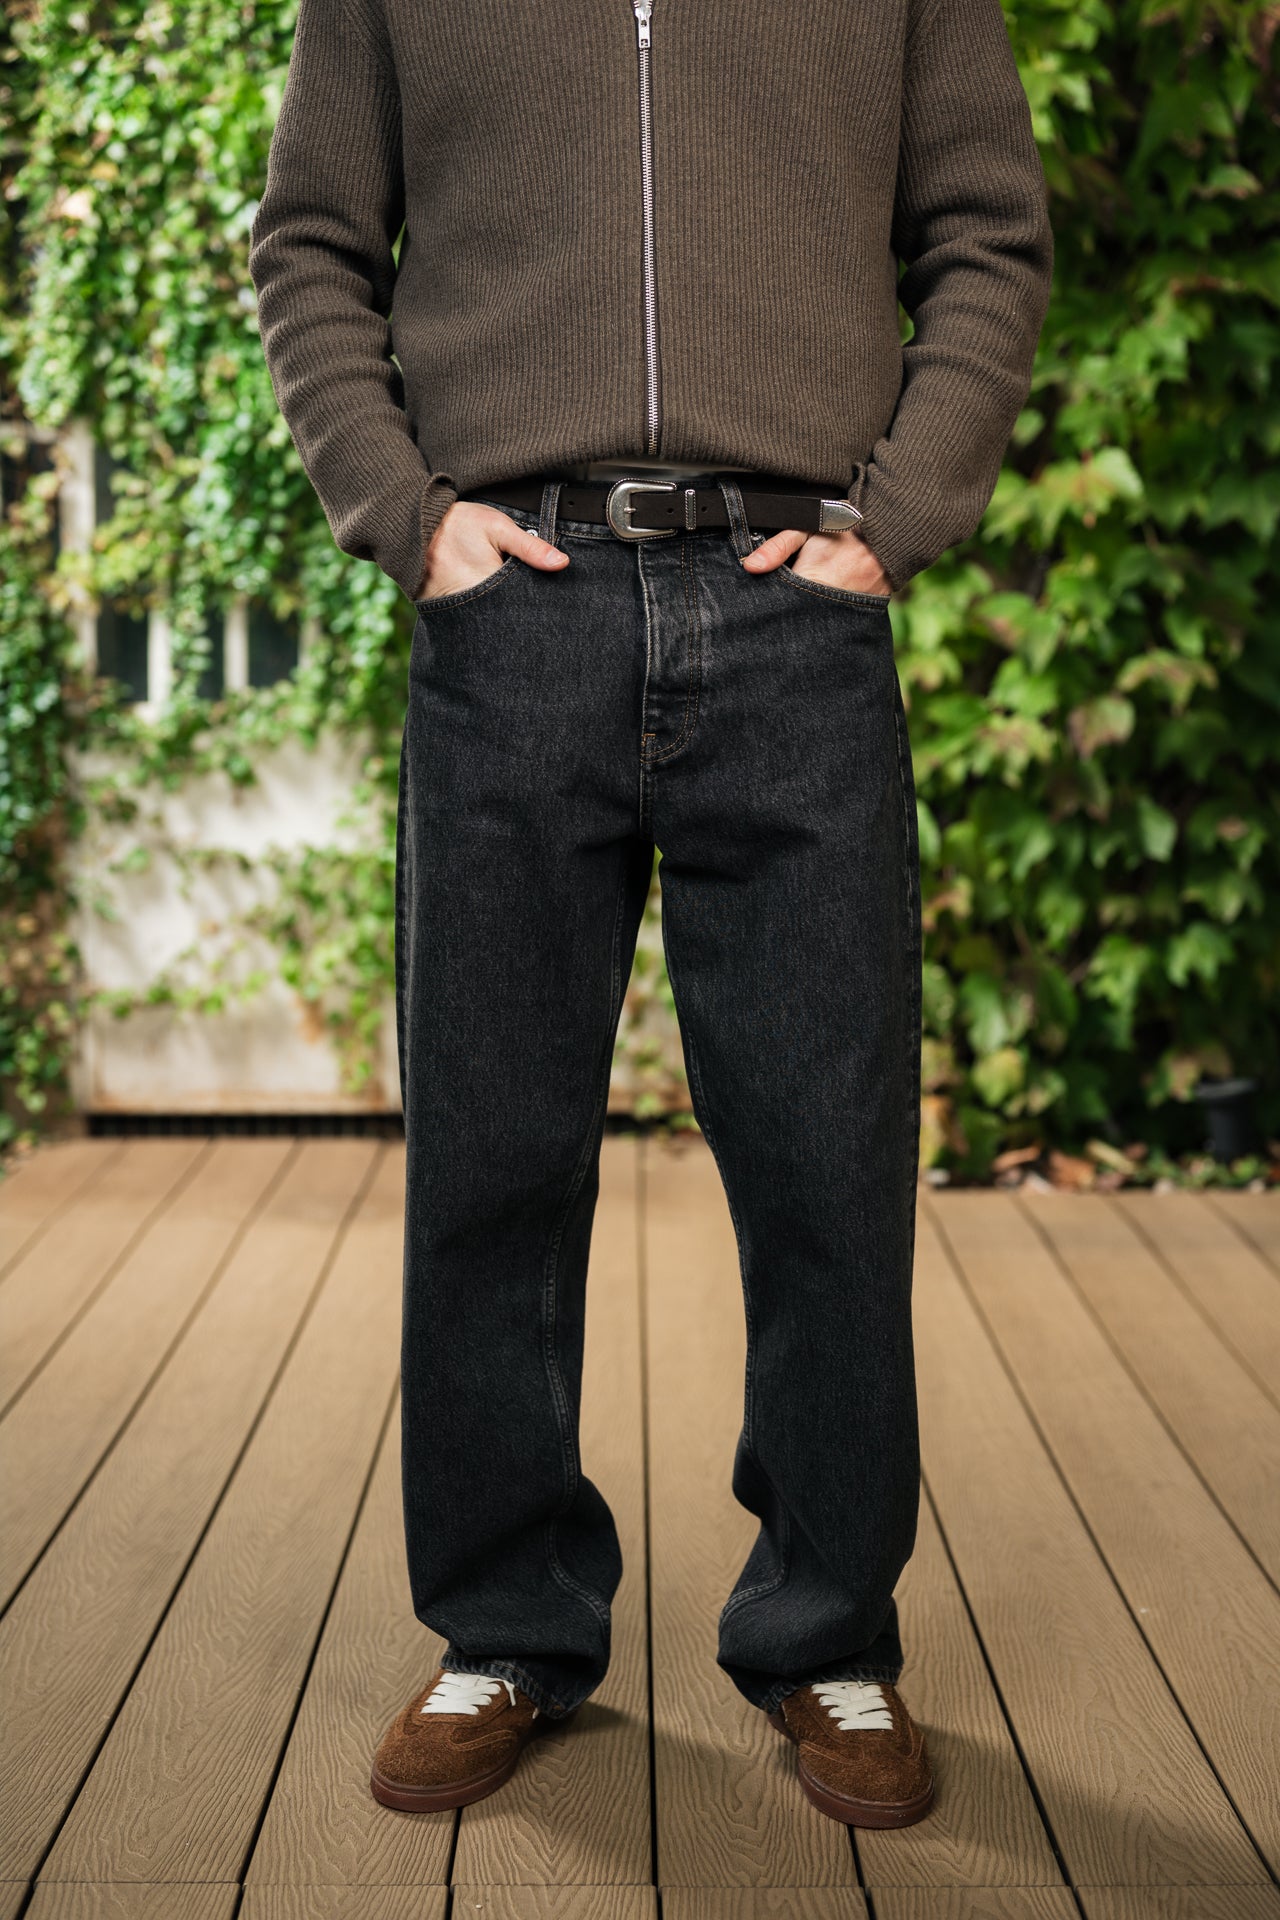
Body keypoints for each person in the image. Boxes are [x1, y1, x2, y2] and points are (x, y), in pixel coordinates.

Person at [249, 0, 1052, 1832]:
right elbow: (308, 244)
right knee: (492, 1161)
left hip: (796, 611)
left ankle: (829, 1633)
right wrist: (404, 512)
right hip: (511, 609)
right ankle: (506, 1628)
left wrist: (900, 514)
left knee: (828, 1159)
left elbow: (989, 236)